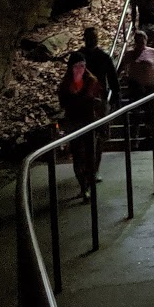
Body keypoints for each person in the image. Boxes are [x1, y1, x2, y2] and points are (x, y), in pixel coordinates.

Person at [57, 52, 106, 200]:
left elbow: (98, 100)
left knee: (90, 155)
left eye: (83, 66)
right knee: (77, 155)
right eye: (77, 66)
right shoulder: (66, 85)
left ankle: (88, 185)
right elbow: (64, 102)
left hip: (89, 121)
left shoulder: (91, 81)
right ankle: (83, 187)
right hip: (74, 122)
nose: (80, 69)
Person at [119, 31, 154, 146]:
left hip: (150, 85)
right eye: (138, 40)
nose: (140, 42)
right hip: (135, 85)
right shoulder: (130, 54)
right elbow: (121, 67)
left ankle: (151, 135)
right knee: (135, 112)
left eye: (142, 40)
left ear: (146, 40)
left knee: (150, 112)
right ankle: (134, 137)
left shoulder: (152, 51)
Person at [81, 26, 120, 107]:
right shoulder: (78, 57)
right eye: (89, 38)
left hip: (99, 94)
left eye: (93, 37)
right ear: (84, 39)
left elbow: (112, 77)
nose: (91, 40)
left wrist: (116, 95)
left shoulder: (104, 57)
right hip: (82, 95)